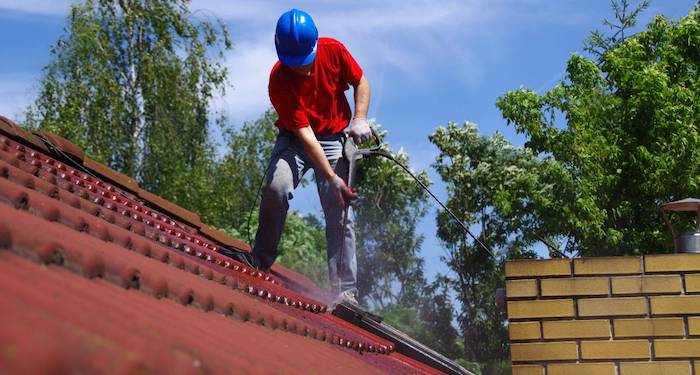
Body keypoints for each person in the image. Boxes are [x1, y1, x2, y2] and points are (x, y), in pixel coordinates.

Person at [243, 9, 372, 305]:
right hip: (298, 140)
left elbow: (361, 81)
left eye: (305, 61)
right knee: (277, 185)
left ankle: (345, 289)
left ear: (314, 45)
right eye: (294, 64)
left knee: (340, 211)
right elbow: (306, 136)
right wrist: (331, 177)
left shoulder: (334, 50)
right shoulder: (278, 81)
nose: (301, 69)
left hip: (334, 136)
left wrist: (360, 118)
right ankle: (261, 257)